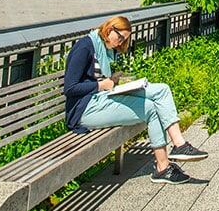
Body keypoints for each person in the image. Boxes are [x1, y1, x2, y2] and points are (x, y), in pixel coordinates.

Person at [63, 15, 207, 185]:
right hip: (85, 109)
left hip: (102, 99)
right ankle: (163, 167)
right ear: (109, 30)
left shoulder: (103, 48)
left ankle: (179, 145)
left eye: (124, 40)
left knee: (162, 89)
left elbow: (99, 79)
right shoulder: (84, 47)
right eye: (120, 38)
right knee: (150, 108)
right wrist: (102, 85)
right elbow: (70, 88)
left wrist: (114, 81)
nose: (120, 43)